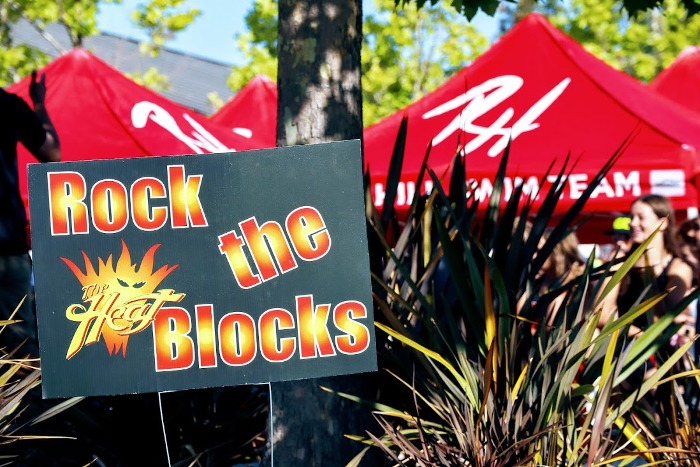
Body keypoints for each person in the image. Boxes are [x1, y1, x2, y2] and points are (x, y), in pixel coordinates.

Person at [0, 71, 61, 354]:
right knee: (18, 349)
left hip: (8, 248)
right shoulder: (8, 105)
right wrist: (39, 104)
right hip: (6, 248)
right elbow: (52, 153)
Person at [598, 195, 695, 344]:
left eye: (641, 217)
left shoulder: (678, 268)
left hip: (660, 352)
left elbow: (665, 318)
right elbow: (600, 315)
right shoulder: (621, 262)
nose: (633, 223)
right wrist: (641, 336)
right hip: (624, 350)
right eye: (632, 217)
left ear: (662, 223)